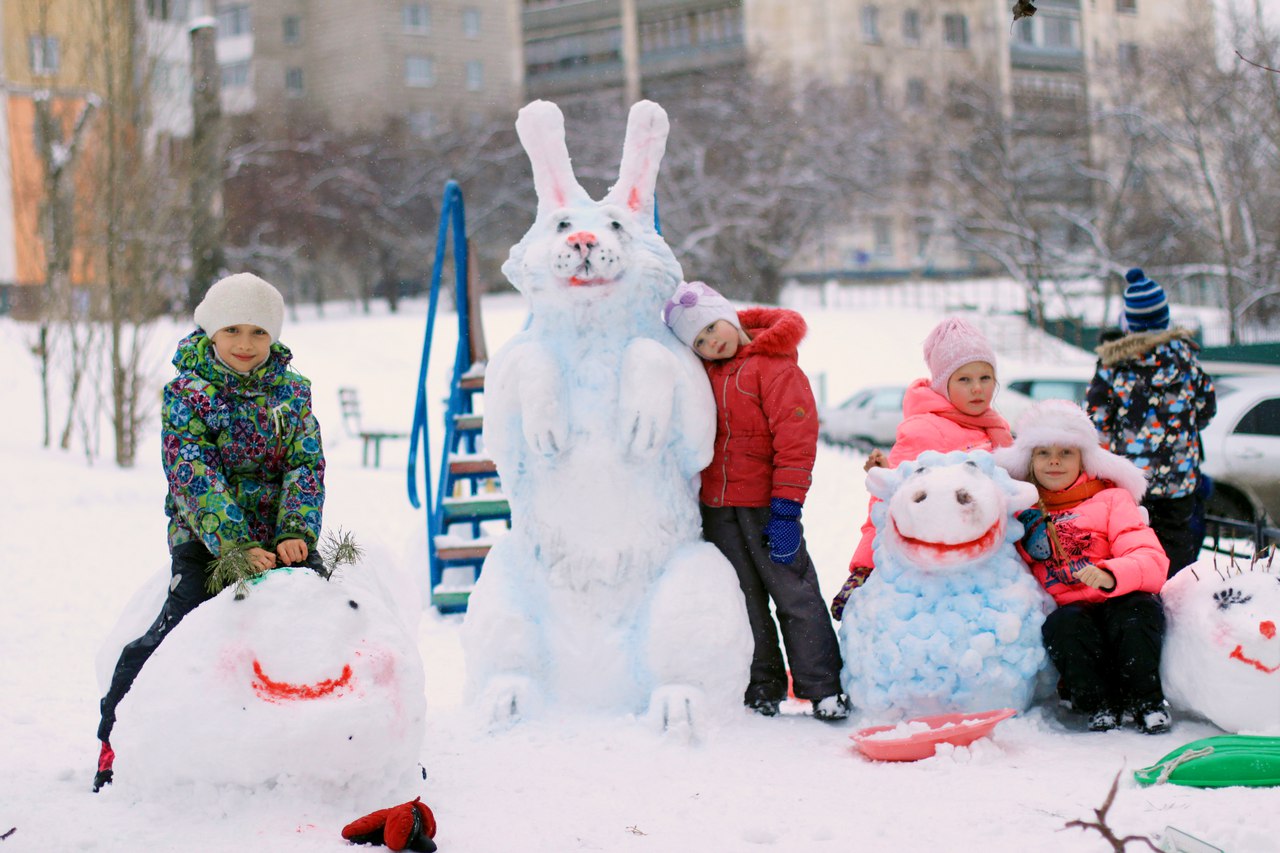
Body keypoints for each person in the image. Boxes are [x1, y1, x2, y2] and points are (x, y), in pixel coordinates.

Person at [94, 273, 327, 791]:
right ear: (210, 332)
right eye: (233, 330)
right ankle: (115, 735)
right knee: (179, 624)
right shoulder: (188, 394)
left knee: (322, 611)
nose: (245, 344)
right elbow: (192, 471)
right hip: (208, 537)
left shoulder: (292, 393)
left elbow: (304, 466)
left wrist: (295, 530)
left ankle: (343, 738)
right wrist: (236, 546)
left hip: (278, 536)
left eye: (259, 332)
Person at [662, 280, 848, 721]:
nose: (712, 342)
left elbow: (796, 441)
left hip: (769, 507)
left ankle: (822, 688)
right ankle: (761, 686)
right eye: (700, 341)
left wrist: (787, 508)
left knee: (794, 596)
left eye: (712, 328)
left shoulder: (775, 368)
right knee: (745, 600)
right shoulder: (705, 373)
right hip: (719, 509)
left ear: (729, 314)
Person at [994, 399, 1171, 734]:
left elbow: (1149, 556)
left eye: (1066, 452)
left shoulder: (1111, 499)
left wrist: (1111, 574)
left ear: (1085, 459)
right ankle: (1096, 703)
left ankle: (1146, 701)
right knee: (1065, 627)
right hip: (1070, 607)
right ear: (1029, 460)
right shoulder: (1022, 512)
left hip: (1119, 594)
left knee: (1136, 615)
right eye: (1043, 453)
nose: (1055, 461)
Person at [830, 317, 1012, 620]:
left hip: (986, 561)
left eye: (985, 377)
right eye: (964, 380)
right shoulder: (924, 430)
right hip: (936, 567)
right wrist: (864, 567)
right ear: (944, 384)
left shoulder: (994, 427)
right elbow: (888, 501)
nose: (978, 388)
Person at [1087, 268, 1216, 576]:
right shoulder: (1187, 360)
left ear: (1129, 323)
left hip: (1132, 481)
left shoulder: (1113, 367)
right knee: (1178, 548)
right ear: (1165, 318)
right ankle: (1177, 600)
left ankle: (1143, 597)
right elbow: (1206, 408)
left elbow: (1097, 421)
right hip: (1180, 480)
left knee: (1135, 544)